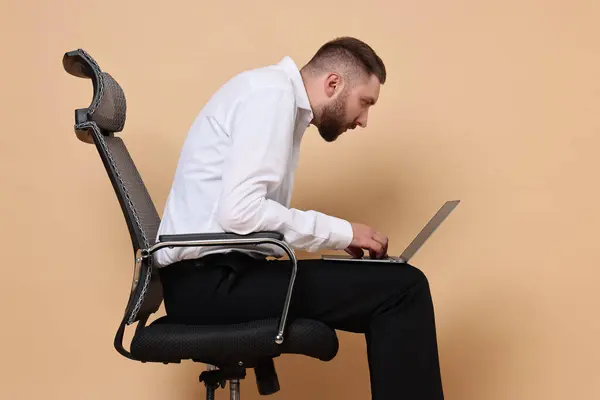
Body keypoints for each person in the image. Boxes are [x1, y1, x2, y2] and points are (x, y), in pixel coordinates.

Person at [155, 36, 444, 399]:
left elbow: (241, 218)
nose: (364, 120)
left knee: (390, 285)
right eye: (365, 102)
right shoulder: (271, 96)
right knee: (404, 289)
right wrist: (341, 233)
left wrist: (340, 241)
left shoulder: (273, 96)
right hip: (210, 285)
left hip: (214, 279)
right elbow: (240, 212)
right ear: (334, 83)